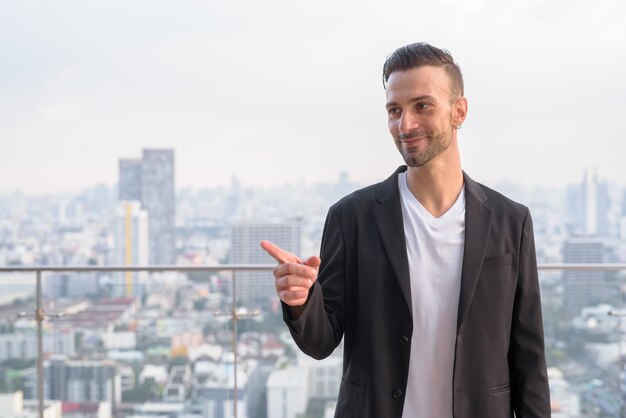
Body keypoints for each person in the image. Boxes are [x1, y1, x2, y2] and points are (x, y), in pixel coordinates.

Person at [261, 42, 550, 418]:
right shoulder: (352, 217)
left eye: (422, 106)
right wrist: (300, 303)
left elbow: (529, 358)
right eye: (394, 110)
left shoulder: (511, 221)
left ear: (459, 111)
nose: (405, 124)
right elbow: (321, 341)